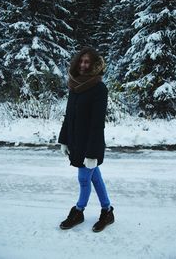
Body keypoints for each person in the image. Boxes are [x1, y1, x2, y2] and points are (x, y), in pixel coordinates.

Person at [58, 47, 114, 232]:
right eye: (81, 61)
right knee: (95, 178)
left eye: (87, 62)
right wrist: (64, 139)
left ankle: (78, 211)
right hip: (75, 140)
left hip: (90, 143)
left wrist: (92, 154)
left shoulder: (99, 88)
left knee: (84, 178)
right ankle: (107, 210)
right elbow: (69, 116)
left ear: (94, 65)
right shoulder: (75, 85)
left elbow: (97, 124)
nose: (83, 65)